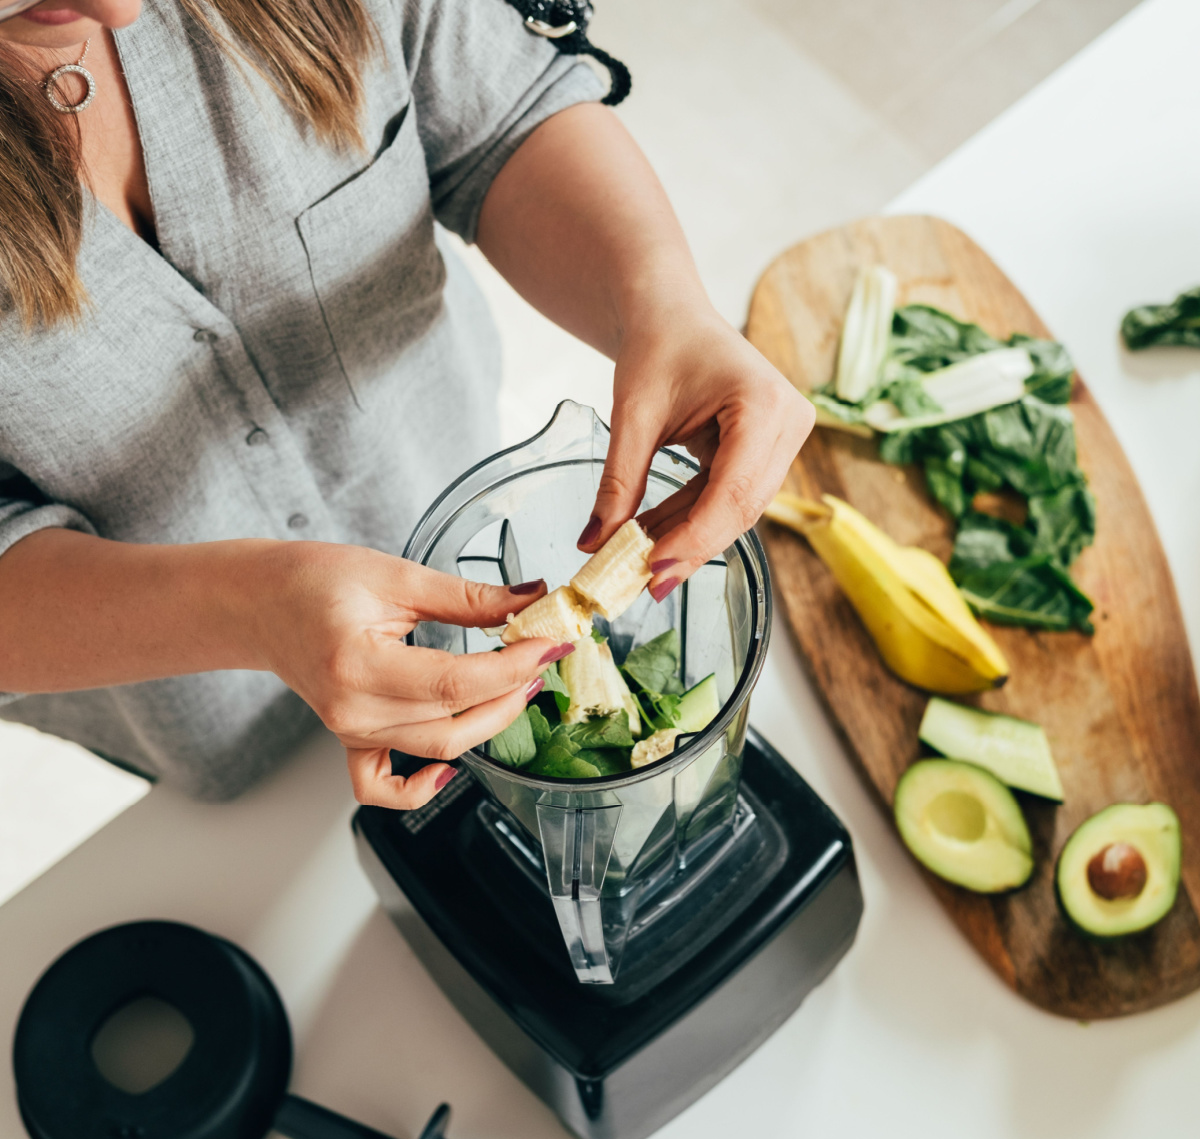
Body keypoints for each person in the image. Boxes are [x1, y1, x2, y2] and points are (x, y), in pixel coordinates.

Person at [0, 0, 814, 810]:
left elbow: (504, 117)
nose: (118, 11)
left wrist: (662, 303)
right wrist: (250, 611)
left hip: (437, 475)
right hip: (189, 698)